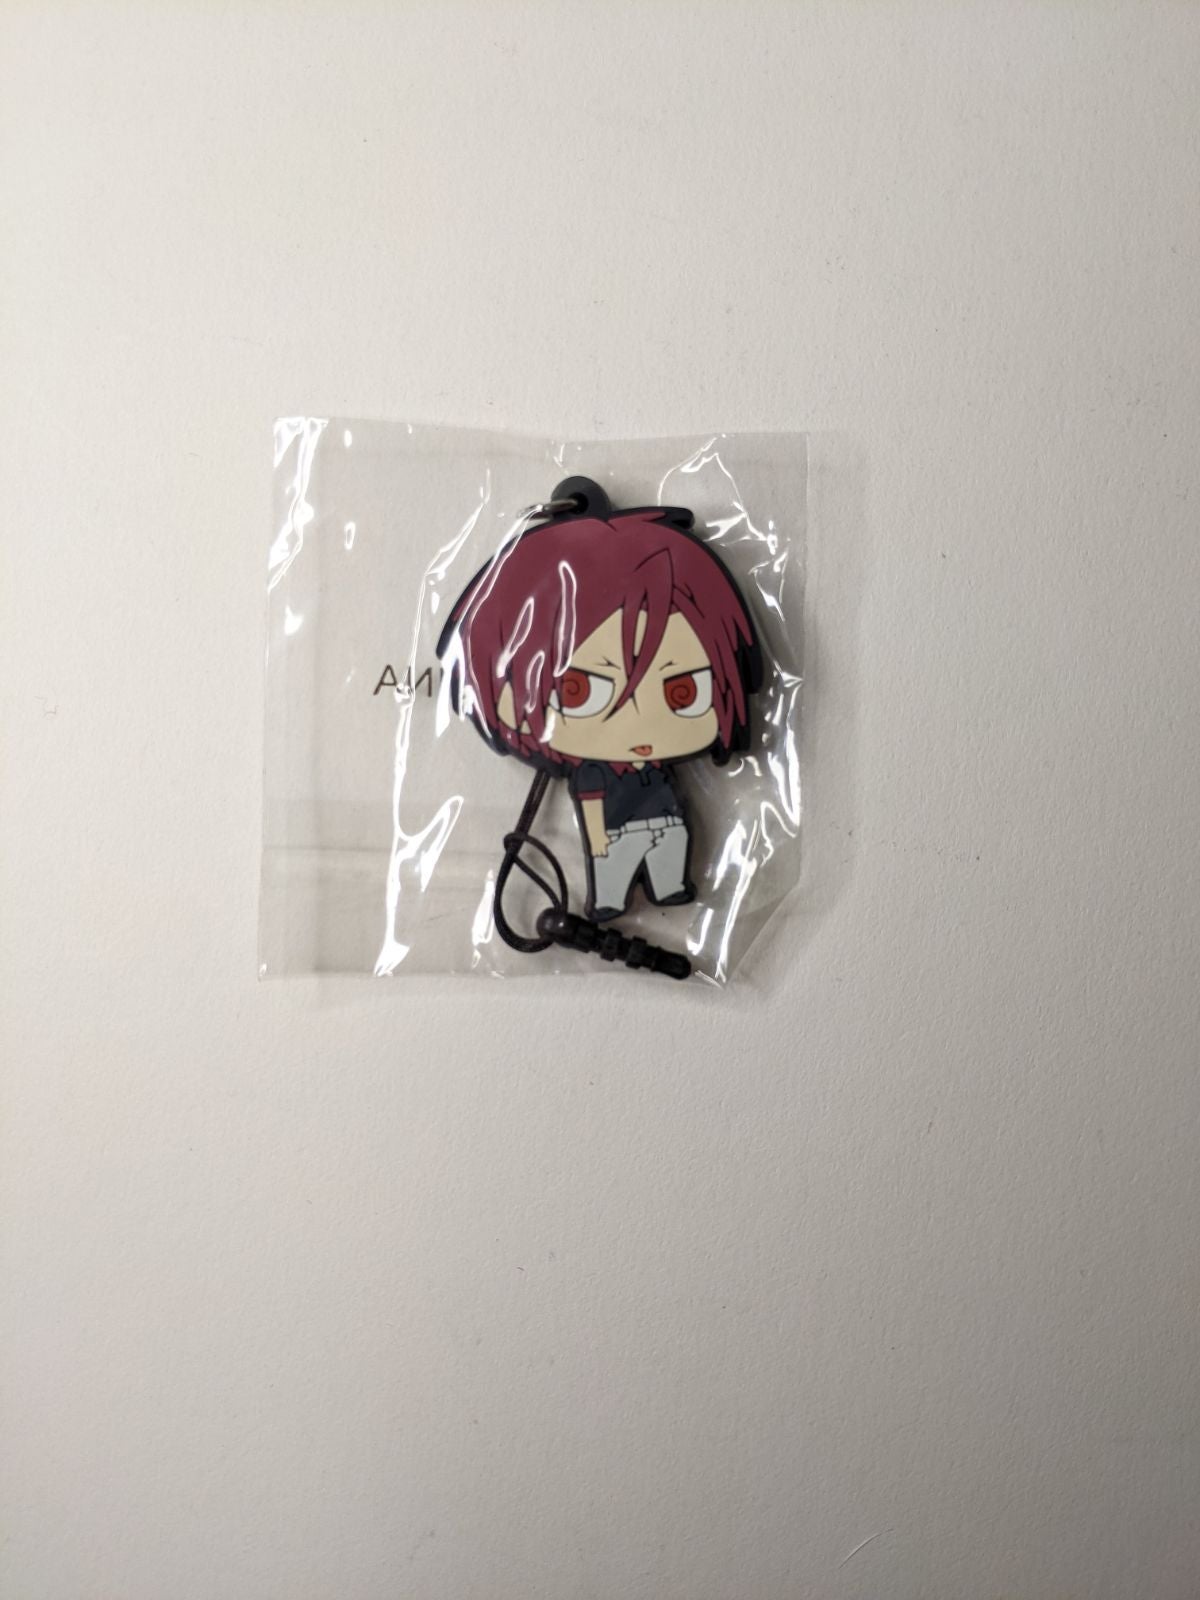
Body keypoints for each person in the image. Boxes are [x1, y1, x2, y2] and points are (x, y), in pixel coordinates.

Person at [438, 499, 761, 922]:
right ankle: (610, 900)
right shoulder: (592, 772)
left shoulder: (655, 768)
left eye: (682, 692)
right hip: (617, 834)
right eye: (580, 691)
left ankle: (667, 888)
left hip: (668, 827)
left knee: (668, 874)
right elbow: (591, 804)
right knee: (610, 883)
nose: (639, 721)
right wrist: (598, 840)